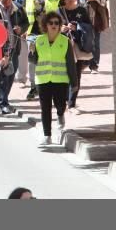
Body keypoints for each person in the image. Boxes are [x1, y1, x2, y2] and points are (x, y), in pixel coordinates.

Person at [35, 11, 78, 146]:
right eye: (51, 23)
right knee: (45, 108)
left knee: (60, 105)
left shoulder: (65, 42)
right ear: (45, 25)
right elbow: (33, 60)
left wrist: (74, 82)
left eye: (57, 23)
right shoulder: (39, 40)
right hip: (43, 80)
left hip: (60, 80)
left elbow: (71, 63)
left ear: (60, 25)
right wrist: (31, 52)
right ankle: (47, 135)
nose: (54, 25)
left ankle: (60, 115)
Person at [24, 0, 62, 100]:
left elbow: (61, 11)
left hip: (50, 32)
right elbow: (25, 9)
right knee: (32, 57)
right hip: (33, 31)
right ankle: (34, 86)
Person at [59, 0, 93, 114]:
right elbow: (50, 29)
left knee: (76, 76)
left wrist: (77, 27)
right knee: (62, 76)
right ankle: (63, 101)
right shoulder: (58, 12)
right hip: (62, 48)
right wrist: (60, 30)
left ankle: (72, 104)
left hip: (77, 47)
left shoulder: (82, 11)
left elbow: (89, 28)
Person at [0, 0, 28, 115]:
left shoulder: (18, 8)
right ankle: (2, 102)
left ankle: (3, 101)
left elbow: (26, 22)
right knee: (1, 77)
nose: (7, 0)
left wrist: (21, 29)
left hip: (14, 48)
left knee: (10, 75)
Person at [74, 0, 109, 73]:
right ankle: (82, 62)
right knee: (80, 36)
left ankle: (94, 65)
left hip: (94, 12)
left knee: (94, 38)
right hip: (80, 11)